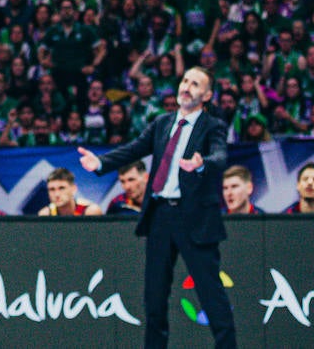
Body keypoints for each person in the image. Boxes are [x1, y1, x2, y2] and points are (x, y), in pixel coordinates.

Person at [77, 67, 235, 348]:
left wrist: (203, 164)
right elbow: (134, 148)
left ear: (207, 95)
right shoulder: (163, 123)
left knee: (212, 295)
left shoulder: (212, 126)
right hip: (161, 215)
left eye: (195, 84)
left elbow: (221, 155)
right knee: (155, 298)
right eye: (185, 80)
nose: (187, 87)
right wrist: (100, 163)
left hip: (195, 218)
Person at [38, 167, 104, 216]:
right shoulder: (45, 214)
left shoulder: (91, 211)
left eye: (61, 188)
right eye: (52, 189)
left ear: (73, 189)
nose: (57, 194)